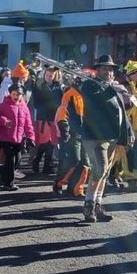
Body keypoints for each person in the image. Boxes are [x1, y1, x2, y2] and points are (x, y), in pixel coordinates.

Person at [79, 55, 131, 223]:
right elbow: (97, 100)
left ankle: (98, 205)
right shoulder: (89, 85)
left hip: (111, 137)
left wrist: (128, 133)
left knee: (105, 173)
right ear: (98, 70)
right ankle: (88, 207)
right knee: (99, 170)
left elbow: (121, 113)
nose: (108, 72)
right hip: (95, 137)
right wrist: (113, 89)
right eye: (104, 69)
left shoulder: (111, 88)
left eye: (110, 69)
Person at [112, 60, 137, 185]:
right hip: (123, 126)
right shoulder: (123, 88)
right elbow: (121, 108)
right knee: (122, 153)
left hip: (133, 128)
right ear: (130, 74)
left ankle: (114, 176)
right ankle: (127, 177)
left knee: (122, 154)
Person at [54, 64, 89, 198]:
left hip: (86, 133)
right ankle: (59, 181)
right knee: (74, 159)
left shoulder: (88, 95)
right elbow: (63, 111)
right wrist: (64, 128)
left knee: (85, 164)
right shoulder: (69, 93)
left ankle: (76, 189)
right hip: (73, 132)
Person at [0, 83, 35, 191]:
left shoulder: (24, 107)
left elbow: (28, 124)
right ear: (10, 94)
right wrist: (4, 121)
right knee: (10, 160)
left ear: (22, 95)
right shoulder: (4, 105)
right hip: (6, 137)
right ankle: (9, 183)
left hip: (18, 139)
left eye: (18, 94)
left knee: (17, 160)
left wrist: (31, 137)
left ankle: (1, 170)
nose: (16, 96)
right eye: (14, 94)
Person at [30, 65, 62, 174]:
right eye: (47, 75)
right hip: (43, 118)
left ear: (54, 76)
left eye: (51, 75)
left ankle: (46, 166)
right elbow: (37, 103)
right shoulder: (40, 86)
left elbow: (61, 102)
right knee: (44, 143)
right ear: (44, 75)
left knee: (52, 143)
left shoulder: (58, 87)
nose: (49, 77)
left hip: (54, 118)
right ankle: (37, 160)